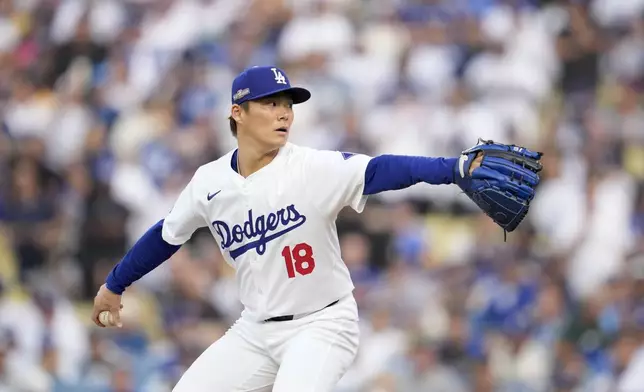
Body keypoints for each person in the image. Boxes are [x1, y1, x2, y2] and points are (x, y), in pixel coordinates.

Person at [91, 65, 483, 391]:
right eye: (270, 103)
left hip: (322, 324)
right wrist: (114, 285)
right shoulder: (209, 182)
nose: (284, 113)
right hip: (255, 330)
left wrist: (451, 168)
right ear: (237, 113)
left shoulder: (310, 167)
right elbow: (166, 235)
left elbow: (380, 170)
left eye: (288, 105)